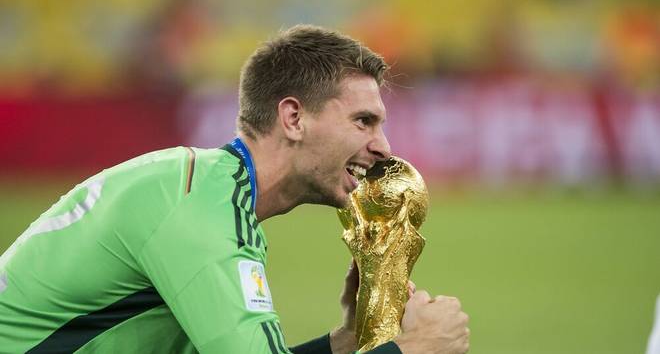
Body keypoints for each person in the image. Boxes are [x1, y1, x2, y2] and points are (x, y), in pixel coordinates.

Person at [0, 25, 470, 354]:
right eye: (363, 121)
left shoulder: (199, 192)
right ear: (293, 118)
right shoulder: (200, 212)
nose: (384, 148)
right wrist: (414, 349)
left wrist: (344, 343)